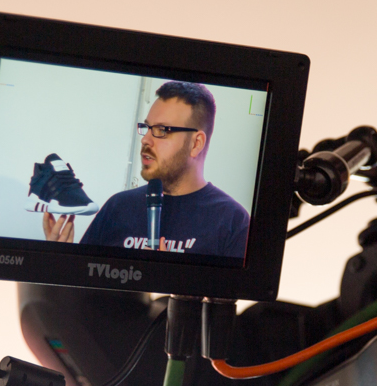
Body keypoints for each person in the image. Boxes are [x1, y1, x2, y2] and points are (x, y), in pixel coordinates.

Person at [42, 81, 250, 259]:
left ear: (196, 144)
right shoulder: (117, 207)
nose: (146, 140)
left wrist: (169, 280)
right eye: (147, 127)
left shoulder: (232, 222)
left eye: (162, 130)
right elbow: (86, 289)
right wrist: (62, 262)